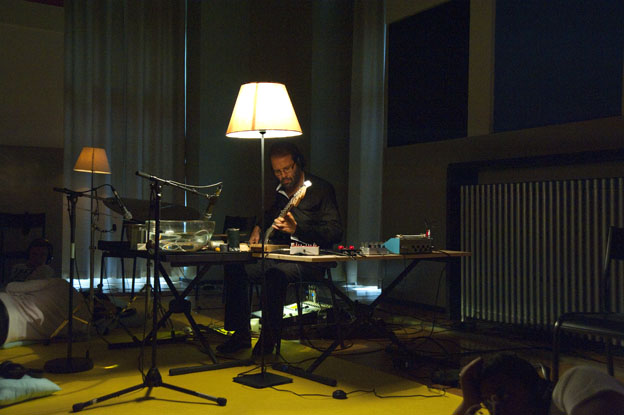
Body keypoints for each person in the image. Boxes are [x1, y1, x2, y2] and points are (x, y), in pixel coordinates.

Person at [217, 142, 343, 356]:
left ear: (298, 163)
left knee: (274, 275)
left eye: (287, 169)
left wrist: (297, 230)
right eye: (277, 171)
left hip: (310, 260)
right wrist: (258, 226)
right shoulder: (279, 192)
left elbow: (335, 231)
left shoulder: (321, 189)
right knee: (235, 267)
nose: (283, 175)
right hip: (282, 256)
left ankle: (269, 340)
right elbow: (269, 213)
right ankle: (240, 334)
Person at [453, 354, 624, 415]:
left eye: (502, 395)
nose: (497, 409)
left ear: (531, 385)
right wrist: (468, 402)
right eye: (488, 402)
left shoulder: (574, 382)